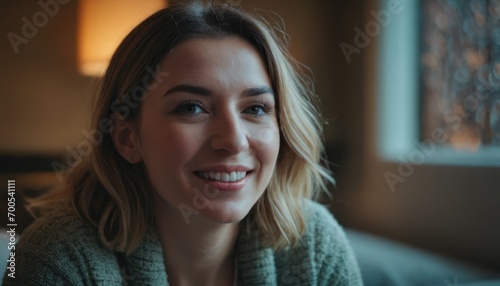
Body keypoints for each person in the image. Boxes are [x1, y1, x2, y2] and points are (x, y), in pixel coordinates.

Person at [3, 1, 363, 285]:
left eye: (255, 108)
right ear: (128, 138)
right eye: (192, 108)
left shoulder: (315, 245)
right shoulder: (57, 260)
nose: (234, 140)